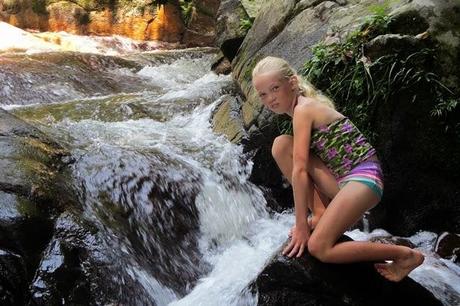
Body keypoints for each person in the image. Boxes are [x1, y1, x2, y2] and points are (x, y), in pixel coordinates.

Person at [251, 56, 424, 282]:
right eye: (263, 94)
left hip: (364, 179)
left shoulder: (304, 109)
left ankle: (406, 254)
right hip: (343, 180)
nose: (270, 98)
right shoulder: (299, 110)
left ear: (292, 83)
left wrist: (301, 225)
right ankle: (321, 212)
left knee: (319, 248)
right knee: (282, 144)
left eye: (275, 88)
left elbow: (301, 170)